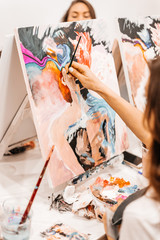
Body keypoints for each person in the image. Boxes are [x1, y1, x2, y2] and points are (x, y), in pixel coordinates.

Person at [65, 59, 160, 239]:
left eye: (147, 103)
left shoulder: (142, 218)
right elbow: (149, 131)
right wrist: (99, 87)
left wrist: (111, 233)